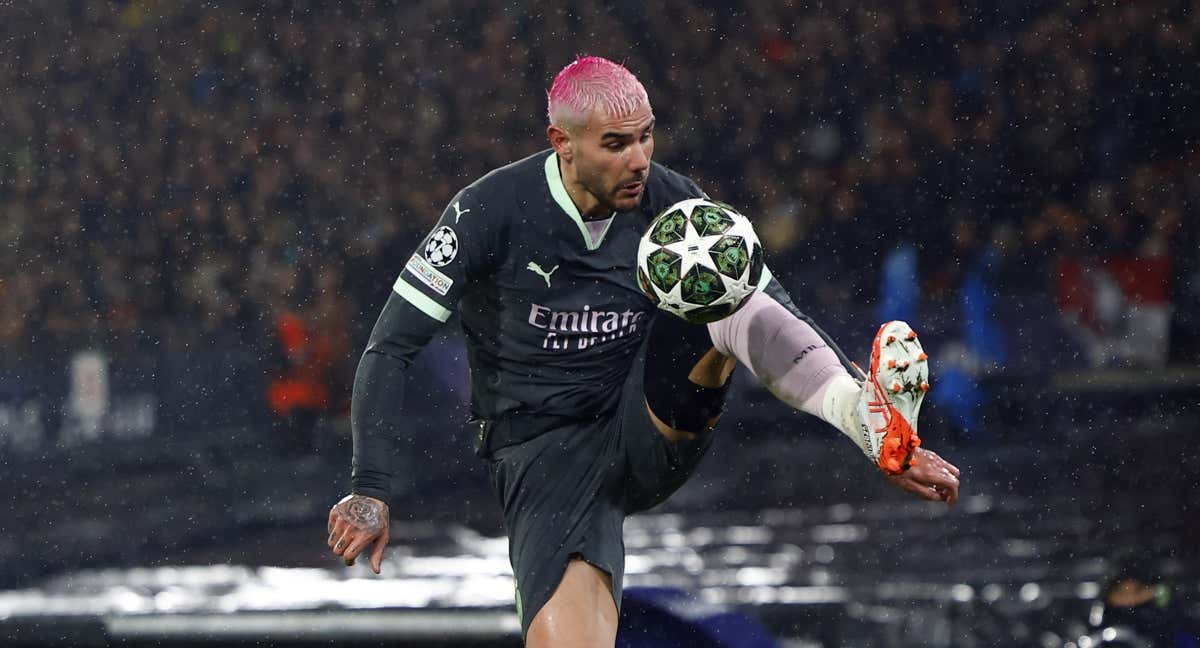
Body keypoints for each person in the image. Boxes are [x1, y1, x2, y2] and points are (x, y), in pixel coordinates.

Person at [326, 56, 961, 647]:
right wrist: (371, 488)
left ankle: (866, 416)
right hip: (544, 455)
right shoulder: (488, 211)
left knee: (716, 275)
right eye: (616, 144)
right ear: (562, 144)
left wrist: (863, 430)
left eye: (646, 137)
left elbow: (778, 311)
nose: (639, 160)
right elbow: (390, 348)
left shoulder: (675, 205)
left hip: (650, 417)